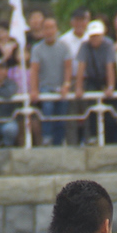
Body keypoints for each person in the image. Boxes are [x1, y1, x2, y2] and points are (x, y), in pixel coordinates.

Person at [27, 17, 70, 147]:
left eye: (52, 28)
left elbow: (68, 67)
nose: (49, 31)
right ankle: (46, 137)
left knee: (61, 115)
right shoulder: (37, 49)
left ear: (56, 30)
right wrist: (34, 90)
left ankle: (59, 141)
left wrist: (66, 85)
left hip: (60, 87)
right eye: (46, 28)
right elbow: (34, 70)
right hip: (45, 87)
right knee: (47, 108)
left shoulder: (64, 47)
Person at [73, 20, 117, 143]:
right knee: (91, 106)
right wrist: (78, 87)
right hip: (92, 79)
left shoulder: (108, 45)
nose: (94, 39)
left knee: (109, 110)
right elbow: (81, 67)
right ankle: (93, 135)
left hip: (105, 78)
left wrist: (111, 86)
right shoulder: (85, 46)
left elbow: (110, 67)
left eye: (97, 36)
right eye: (92, 36)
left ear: (102, 35)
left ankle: (111, 139)